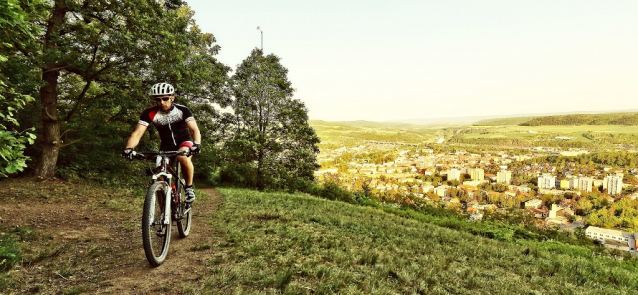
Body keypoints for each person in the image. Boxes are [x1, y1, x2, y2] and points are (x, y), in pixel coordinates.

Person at [121, 83, 201, 203]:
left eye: (165, 98)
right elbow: (137, 133)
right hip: (166, 146)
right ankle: (163, 214)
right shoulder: (149, 113)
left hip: (184, 142)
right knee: (160, 176)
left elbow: (194, 129)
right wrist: (129, 148)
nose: (162, 102)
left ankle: (189, 188)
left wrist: (197, 144)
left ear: (172, 98)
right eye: (158, 99)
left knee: (182, 156)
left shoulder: (182, 110)